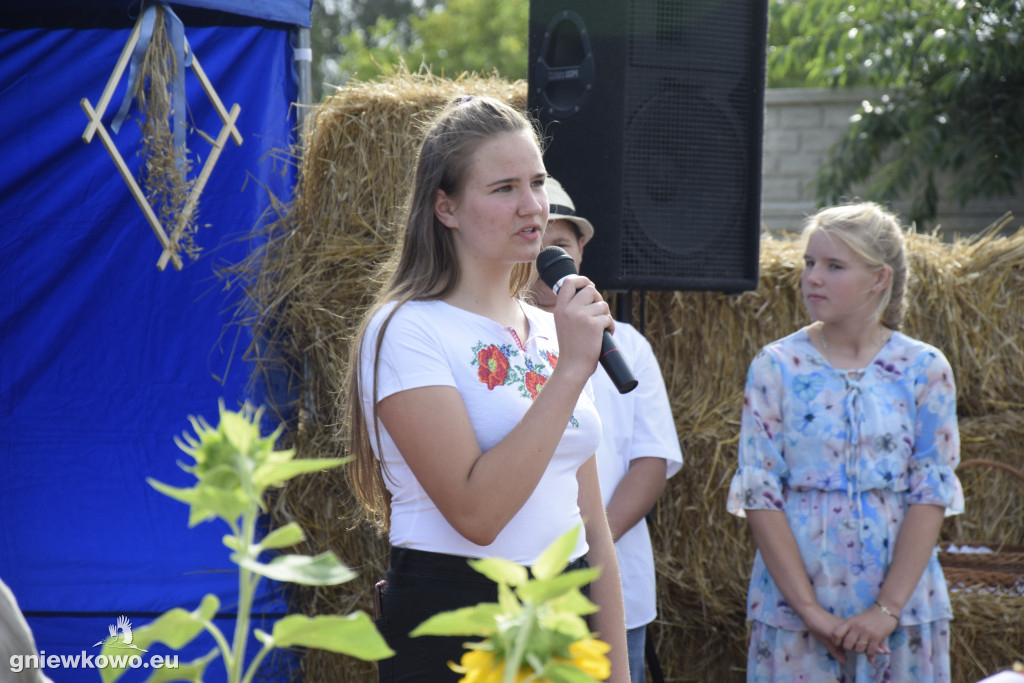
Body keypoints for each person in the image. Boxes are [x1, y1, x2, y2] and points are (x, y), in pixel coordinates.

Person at [344, 95, 629, 682]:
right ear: (445, 208)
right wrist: (571, 371)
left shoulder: (556, 330)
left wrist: (617, 672)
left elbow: (593, 527)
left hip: (562, 612)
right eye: (504, 189)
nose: (533, 207)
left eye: (538, 182)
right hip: (457, 616)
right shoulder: (406, 329)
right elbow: (476, 514)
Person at [727, 201, 965, 682]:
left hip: (902, 613)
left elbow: (930, 493)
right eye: (810, 263)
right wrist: (812, 614)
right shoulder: (775, 367)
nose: (813, 277)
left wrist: (887, 610)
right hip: (795, 613)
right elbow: (760, 496)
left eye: (834, 266)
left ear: (878, 279)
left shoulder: (925, 369)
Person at [529, 177, 683, 683]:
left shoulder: (628, 344)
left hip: (614, 584)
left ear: (580, 251)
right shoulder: (498, 342)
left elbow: (650, 461)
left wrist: (590, 552)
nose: (546, 258)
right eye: (536, 244)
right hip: (521, 584)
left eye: (560, 246)